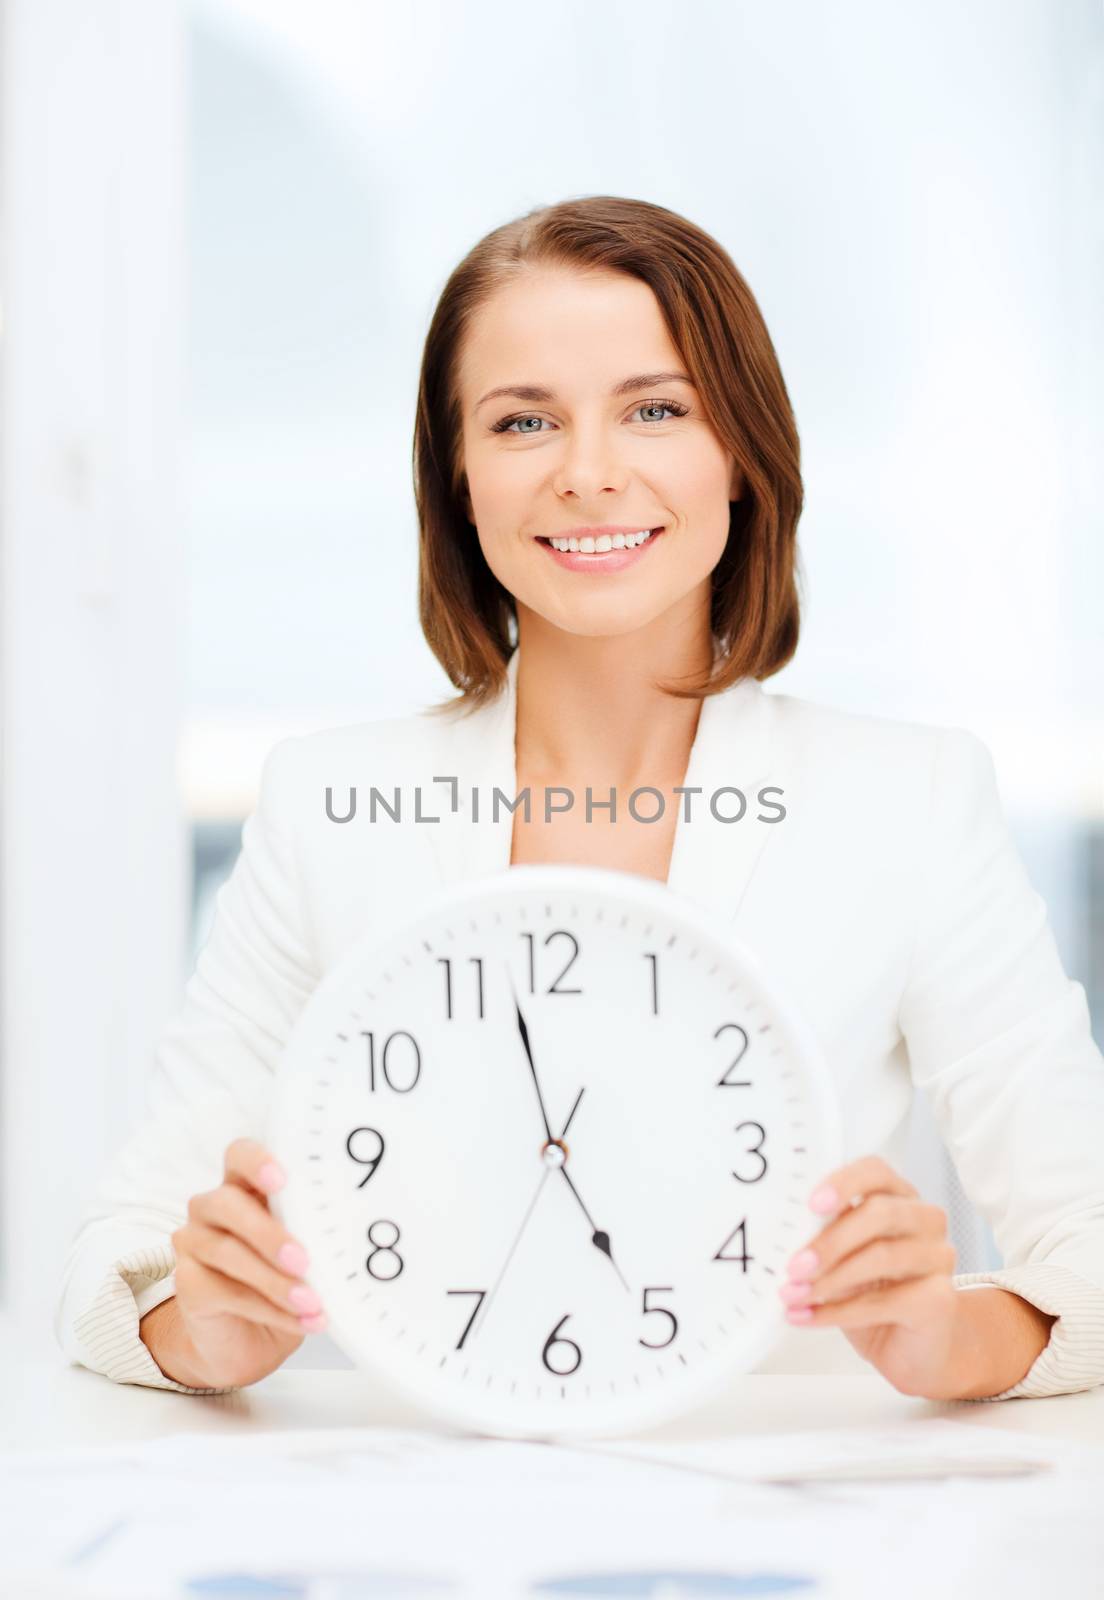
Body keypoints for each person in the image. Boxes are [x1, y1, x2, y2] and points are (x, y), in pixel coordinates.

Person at [54, 195, 1104, 1403]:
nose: (590, 473)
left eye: (655, 409)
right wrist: (204, 1327)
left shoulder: (911, 801)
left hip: (795, 1520)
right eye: (523, 421)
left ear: (741, 454)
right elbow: (114, 1260)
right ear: (458, 475)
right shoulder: (328, 803)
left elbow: (1088, 1244)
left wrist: (950, 1337)